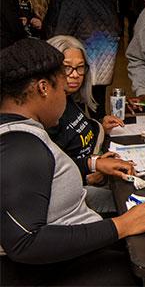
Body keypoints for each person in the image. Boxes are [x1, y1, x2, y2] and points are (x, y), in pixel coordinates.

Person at [0, 38, 145, 286]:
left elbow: (42, 179)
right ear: (44, 88)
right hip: (55, 266)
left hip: (72, 247)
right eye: (61, 90)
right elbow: (25, 242)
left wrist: (91, 164)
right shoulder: (22, 147)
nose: (65, 99)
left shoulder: (24, 133)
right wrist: (120, 226)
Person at [47, 35, 130, 214]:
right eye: (66, 68)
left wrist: (100, 126)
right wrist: (91, 169)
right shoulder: (49, 112)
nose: (75, 75)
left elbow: (77, 131)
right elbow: (51, 169)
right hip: (78, 189)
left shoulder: (69, 99)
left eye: (79, 68)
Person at [44, 0, 120, 121]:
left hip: (74, 68)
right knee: (98, 109)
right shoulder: (105, 0)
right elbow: (116, 30)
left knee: (72, 110)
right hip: (102, 66)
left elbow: (56, 36)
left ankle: (80, 142)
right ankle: (100, 138)